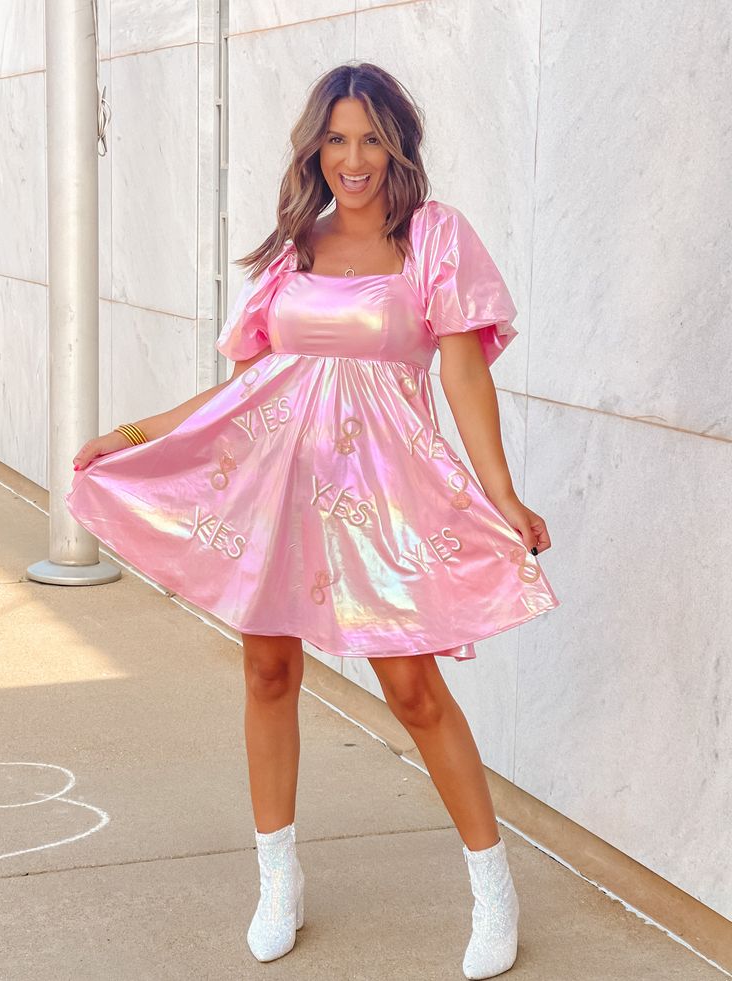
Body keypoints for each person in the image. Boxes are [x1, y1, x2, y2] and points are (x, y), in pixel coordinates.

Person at [66, 62, 560, 979]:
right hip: (277, 488)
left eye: (371, 137)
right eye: (336, 139)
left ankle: (494, 891)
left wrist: (501, 493)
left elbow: (462, 376)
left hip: (385, 497)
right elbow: (248, 383)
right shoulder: (297, 246)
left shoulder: (435, 240)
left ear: (398, 145)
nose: (353, 158)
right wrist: (135, 431)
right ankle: (278, 880)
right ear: (315, 148)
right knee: (266, 669)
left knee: (412, 691)